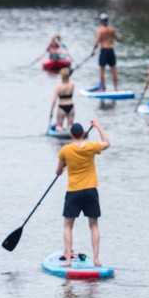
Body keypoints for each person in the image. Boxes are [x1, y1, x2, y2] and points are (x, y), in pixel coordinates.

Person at [56, 120, 110, 266]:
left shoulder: (65, 150)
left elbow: (58, 172)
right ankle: (96, 259)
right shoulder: (91, 146)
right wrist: (98, 126)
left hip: (74, 191)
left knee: (68, 225)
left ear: (71, 134)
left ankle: (68, 260)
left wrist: (65, 166)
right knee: (93, 225)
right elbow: (107, 143)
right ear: (83, 134)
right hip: (91, 190)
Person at [88, 13, 122, 92]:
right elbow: (118, 39)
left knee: (102, 70)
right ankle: (116, 88)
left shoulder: (100, 30)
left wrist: (93, 51)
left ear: (101, 21)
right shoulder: (111, 29)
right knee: (113, 70)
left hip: (104, 51)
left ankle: (102, 88)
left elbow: (97, 42)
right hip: (111, 50)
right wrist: (120, 39)